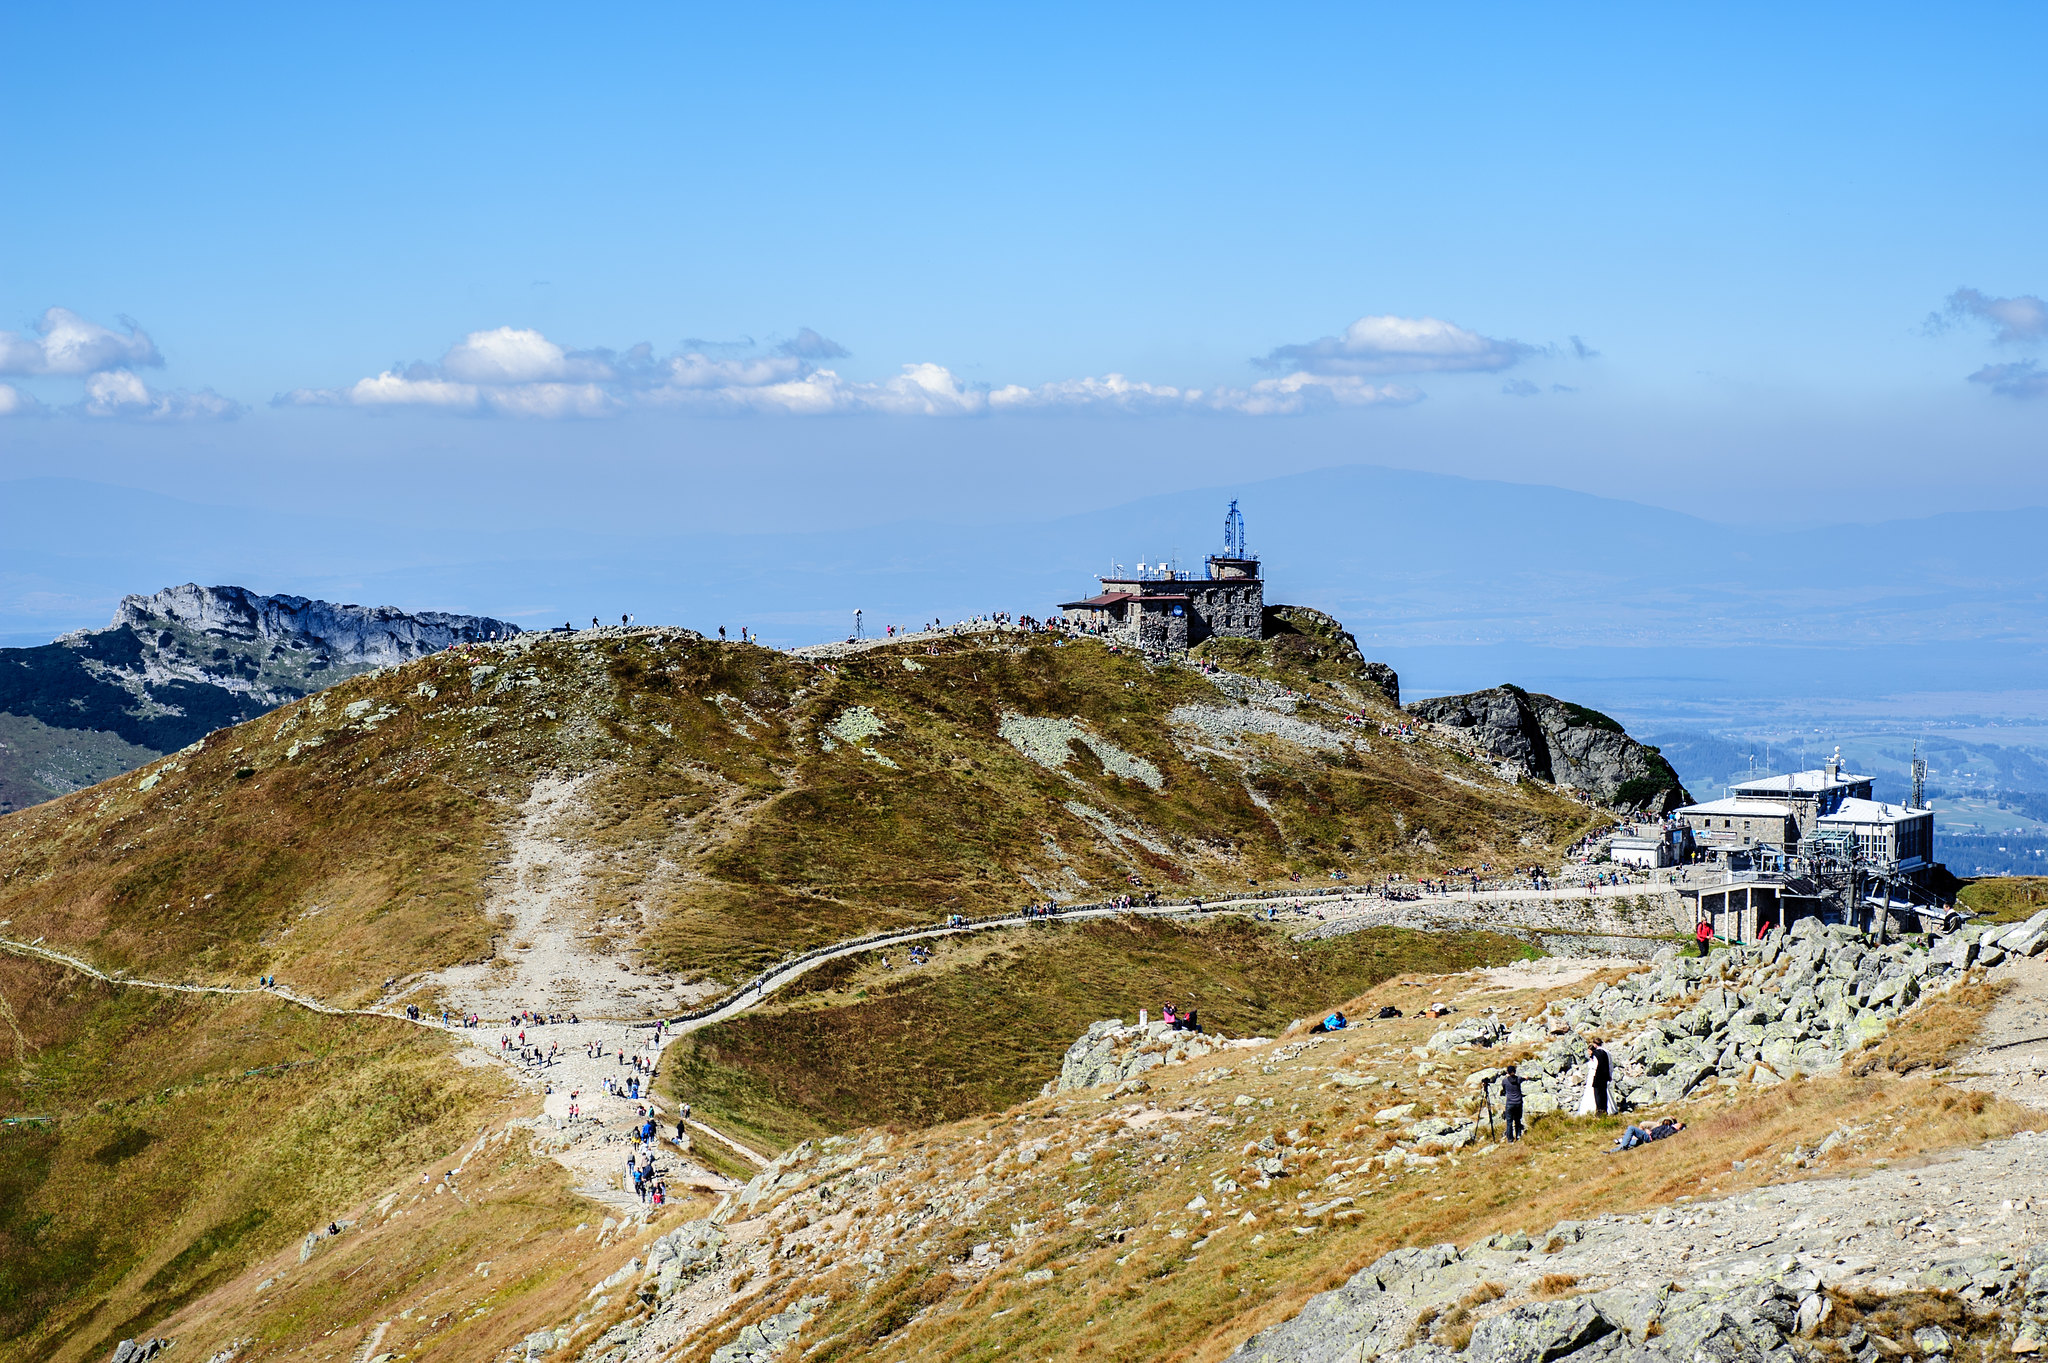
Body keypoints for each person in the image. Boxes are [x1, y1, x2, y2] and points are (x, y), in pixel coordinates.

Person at [1491, 1064, 1525, 1141]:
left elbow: (1504, 1088)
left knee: (1509, 1122)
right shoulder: (1518, 1079)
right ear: (1515, 1071)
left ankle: (1510, 1139)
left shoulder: (1505, 1081)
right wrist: (1526, 1077)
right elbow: (1524, 1078)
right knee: (1517, 1120)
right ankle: (1518, 1135)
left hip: (1510, 1103)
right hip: (1518, 1102)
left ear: (1507, 1072)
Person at [1614, 1118, 1684, 1150]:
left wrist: (1650, 1134)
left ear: (1679, 1128)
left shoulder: (1671, 1130)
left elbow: (1662, 1135)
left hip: (1649, 1137)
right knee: (1633, 1142)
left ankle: (1623, 1146)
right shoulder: (1669, 1127)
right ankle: (1614, 1151)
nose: (1676, 1124)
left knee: (1631, 1128)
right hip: (1649, 1134)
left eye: (1678, 1124)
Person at [1584, 1038, 1613, 1117]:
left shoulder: (1596, 1053)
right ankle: (1605, 1110)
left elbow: (1594, 1066)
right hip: (1605, 1076)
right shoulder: (1606, 1052)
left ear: (1595, 1044)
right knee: (1604, 1093)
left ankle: (1599, 1111)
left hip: (1597, 1075)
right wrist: (1610, 1075)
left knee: (1597, 1094)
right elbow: (1610, 1065)